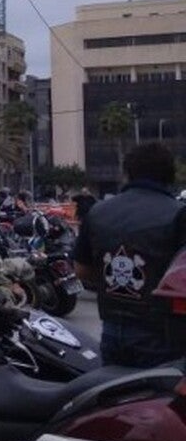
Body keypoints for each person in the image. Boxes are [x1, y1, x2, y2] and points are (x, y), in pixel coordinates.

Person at [73, 142, 186, 368]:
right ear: (169, 174)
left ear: (128, 173)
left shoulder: (98, 212)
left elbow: (81, 269)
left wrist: (116, 283)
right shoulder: (178, 214)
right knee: (160, 401)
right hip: (164, 336)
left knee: (114, 399)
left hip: (112, 331)